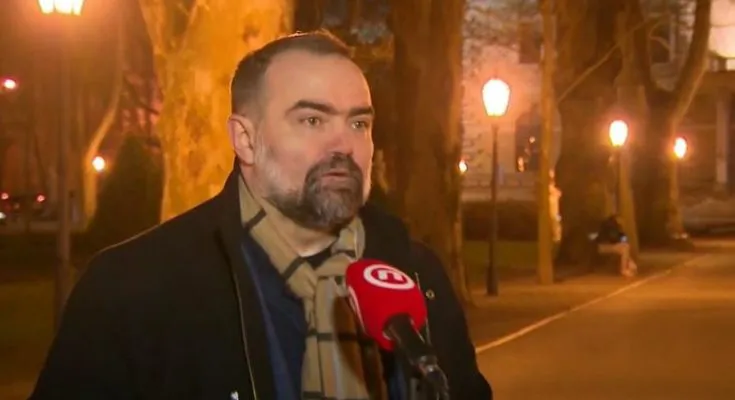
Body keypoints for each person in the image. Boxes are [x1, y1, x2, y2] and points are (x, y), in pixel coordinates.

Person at [30, 31, 491, 400]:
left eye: (359, 123)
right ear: (245, 140)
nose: (345, 145)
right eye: (312, 120)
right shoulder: (133, 290)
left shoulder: (416, 274)